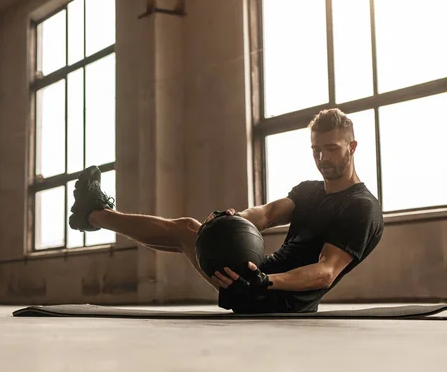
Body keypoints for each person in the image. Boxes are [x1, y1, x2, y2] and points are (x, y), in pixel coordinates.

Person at [68, 108, 384, 314]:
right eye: (316, 149)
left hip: (277, 298)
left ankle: (95, 214)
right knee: (190, 233)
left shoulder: (361, 208)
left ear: (352, 148)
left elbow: (325, 272)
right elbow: (267, 213)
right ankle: (95, 215)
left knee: (185, 231)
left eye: (331, 149)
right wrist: (234, 220)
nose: (322, 158)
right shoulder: (311, 191)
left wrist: (266, 281)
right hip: (255, 275)